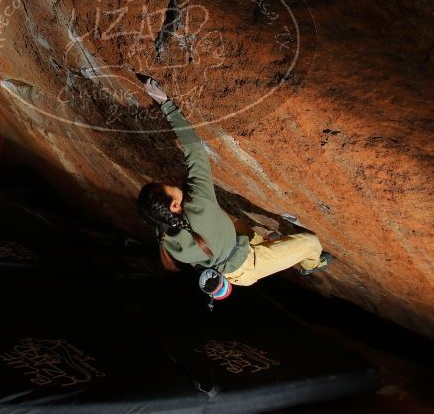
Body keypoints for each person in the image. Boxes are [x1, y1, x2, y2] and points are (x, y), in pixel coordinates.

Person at [136, 76, 331, 286]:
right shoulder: (198, 205)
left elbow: (200, 255)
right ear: (175, 206)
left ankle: (263, 241)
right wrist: (167, 105)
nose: (171, 183)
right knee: (311, 242)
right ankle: (310, 265)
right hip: (248, 263)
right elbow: (195, 152)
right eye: (168, 186)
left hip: (230, 264)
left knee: (230, 222)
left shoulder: (165, 236)